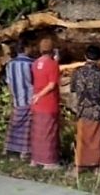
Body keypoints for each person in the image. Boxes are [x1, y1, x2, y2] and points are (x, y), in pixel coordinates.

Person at [70, 45, 100, 171]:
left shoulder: (77, 72)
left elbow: (73, 89)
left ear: (85, 56)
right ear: (99, 58)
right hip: (97, 110)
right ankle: (97, 167)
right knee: (97, 139)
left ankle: (80, 165)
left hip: (82, 110)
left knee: (82, 139)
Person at [29, 37, 62, 169]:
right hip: (48, 102)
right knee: (49, 131)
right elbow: (52, 84)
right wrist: (40, 94)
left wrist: (36, 95)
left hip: (37, 103)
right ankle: (49, 162)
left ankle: (35, 159)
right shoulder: (52, 64)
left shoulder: (35, 63)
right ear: (52, 50)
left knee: (38, 132)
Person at [4, 40, 34, 160]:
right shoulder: (31, 63)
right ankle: (25, 152)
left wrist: (12, 97)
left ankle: (12, 152)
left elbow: (9, 83)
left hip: (17, 99)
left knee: (16, 126)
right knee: (28, 128)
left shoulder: (10, 64)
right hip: (29, 99)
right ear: (26, 48)